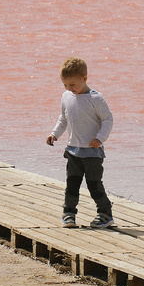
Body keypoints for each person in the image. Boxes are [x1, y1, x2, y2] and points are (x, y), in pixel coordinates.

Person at [46, 57, 115, 228]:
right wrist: (55, 134)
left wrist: (100, 138)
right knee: (72, 185)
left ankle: (105, 214)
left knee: (94, 185)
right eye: (65, 85)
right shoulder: (66, 96)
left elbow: (107, 119)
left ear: (84, 79)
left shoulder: (95, 98)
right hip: (73, 150)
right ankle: (69, 214)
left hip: (92, 152)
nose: (70, 89)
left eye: (73, 85)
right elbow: (63, 119)